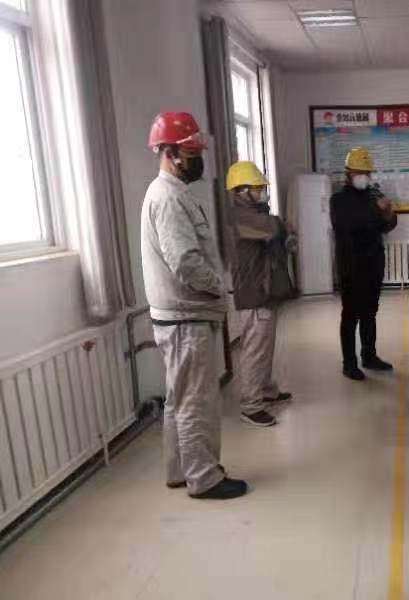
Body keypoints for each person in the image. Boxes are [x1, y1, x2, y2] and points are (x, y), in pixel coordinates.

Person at [141, 111, 247, 500]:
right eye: (191, 153)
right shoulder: (169, 198)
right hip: (187, 317)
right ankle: (204, 478)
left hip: (178, 316)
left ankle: (179, 471)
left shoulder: (171, 193)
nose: (198, 160)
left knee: (179, 398)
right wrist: (219, 287)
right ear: (169, 153)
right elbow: (185, 262)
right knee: (196, 400)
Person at [227, 161, 294, 428]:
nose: (262, 192)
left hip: (263, 290)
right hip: (253, 293)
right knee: (255, 351)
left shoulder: (252, 213)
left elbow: (276, 230)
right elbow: (273, 227)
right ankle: (251, 405)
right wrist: (282, 225)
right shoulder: (240, 217)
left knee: (264, 347)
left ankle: (266, 391)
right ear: (242, 190)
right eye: (258, 188)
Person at [330, 147, 398, 381]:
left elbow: (386, 226)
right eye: (360, 172)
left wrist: (388, 212)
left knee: (370, 313)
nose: (364, 177)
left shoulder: (373, 196)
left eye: (367, 173)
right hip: (351, 267)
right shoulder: (339, 200)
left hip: (373, 265)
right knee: (351, 316)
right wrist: (376, 211)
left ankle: (369, 355)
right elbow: (349, 225)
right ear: (349, 173)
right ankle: (349, 364)